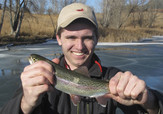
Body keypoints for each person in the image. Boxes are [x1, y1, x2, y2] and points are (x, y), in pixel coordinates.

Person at [0, 3, 163, 114]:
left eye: (87, 38)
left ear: (97, 38)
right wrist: (25, 104)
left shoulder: (113, 79)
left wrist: (149, 101)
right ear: (58, 38)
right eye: (71, 37)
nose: (79, 46)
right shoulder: (41, 78)